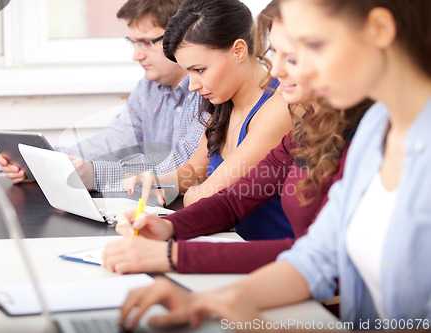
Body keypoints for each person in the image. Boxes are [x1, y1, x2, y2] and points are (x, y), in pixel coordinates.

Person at [118, 0, 431, 330]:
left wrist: (176, 257)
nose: (279, 71)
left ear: (380, 30)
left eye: (306, 47)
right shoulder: (376, 127)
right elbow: (317, 256)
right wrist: (202, 298)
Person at [102, 0, 372, 275]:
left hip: (284, 270)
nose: (275, 70)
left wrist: (174, 251)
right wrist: (168, 220)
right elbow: (228, 198)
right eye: (275, 52)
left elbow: (207, 196)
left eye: (290, 56)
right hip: (271, 263)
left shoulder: (290, 110)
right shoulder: (308, 127)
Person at [120, 0, 296, 242]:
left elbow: (206, 198)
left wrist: (193, 191)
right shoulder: (224, 101)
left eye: (199, 70)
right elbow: (194, 170)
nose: (192, 86)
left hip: (268, 254)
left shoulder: (278, 109)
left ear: (238, 51)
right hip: (226, 242)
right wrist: (158, 180)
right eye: (187, 72)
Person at [0, 0, 205, 193]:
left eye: (145, 42)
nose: (136, 55)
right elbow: (112, 143)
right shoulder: (149, 88)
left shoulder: (207, 92)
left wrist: (95, 173)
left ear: (181, 35)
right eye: (132, 42)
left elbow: (185, 166)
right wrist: (47, 159)